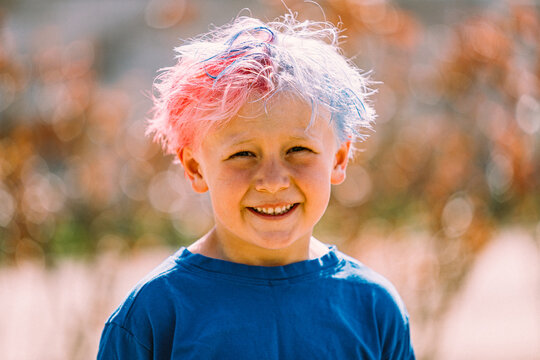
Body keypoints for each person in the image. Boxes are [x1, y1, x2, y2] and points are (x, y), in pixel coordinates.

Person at [97, 13, 415, 359]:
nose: (273, 181)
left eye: (298, 150)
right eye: (244, 154)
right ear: (195, 167)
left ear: (339, 158)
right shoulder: (156, 315)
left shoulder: (373, 307)